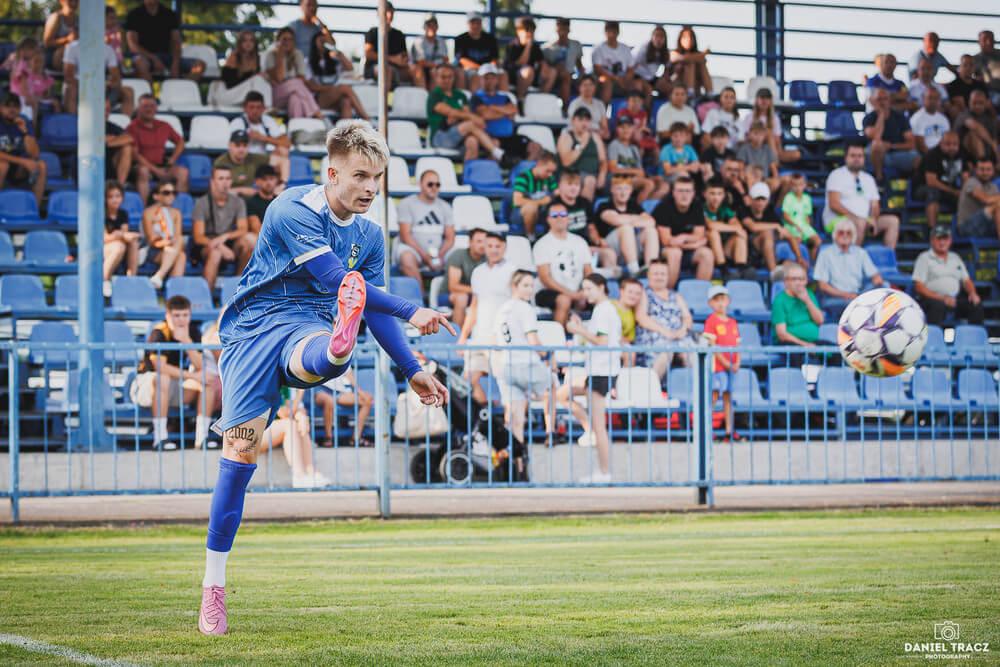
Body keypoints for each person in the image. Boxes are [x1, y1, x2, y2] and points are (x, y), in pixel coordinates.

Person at [197, 121, 452, 636]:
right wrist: (412, 309)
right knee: (240, 454)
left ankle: (338, 348)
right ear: (332, 173)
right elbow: (337, 280)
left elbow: (371, 310)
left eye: (377, 178)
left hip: (308, 325)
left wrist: (413, 369)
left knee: (324, 348)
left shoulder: (370, 236)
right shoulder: (292, 207)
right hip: (251, 330)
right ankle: (213, 586)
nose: (370, 188)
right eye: (360, 176)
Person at [557, 274, 621, 483]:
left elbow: (601, 341)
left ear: (601, 287)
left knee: (600, 425)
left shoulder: (604, 310)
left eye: (589, 288)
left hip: (602, 371)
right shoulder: (602, 310)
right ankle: (589, 430)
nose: (586, 293)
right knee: (563, 394)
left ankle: (604, 472)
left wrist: (578, 329)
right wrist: (581, 331)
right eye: (584, 289)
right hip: (597, 370)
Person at [131, 295, 215, 451]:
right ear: (167, 316)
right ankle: (160, 437)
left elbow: (199, 365)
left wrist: (186, 341)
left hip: (173, 384)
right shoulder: (159, 332)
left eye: (185, 315)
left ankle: (202, 437)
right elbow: (160, 367)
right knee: (163, 378)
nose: (181, 320)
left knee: (207, 382)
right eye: (176, 315)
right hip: (145, 385)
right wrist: (193, 376)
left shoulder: (192, 332)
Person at [492, 270, 556, 446]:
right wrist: (548, 355)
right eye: (525, 285)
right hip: (526, 363)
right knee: (551, 386)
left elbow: (495, 341)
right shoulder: (525, 308)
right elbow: (533, 340)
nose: (530, 290)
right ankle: (550, 431)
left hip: (506, 364)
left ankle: (516, 454)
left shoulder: (502, 309)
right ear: (514, 286)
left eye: (531, 286)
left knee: (515, 416)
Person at [458, 233, 516, 405]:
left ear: (504, 247)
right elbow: (474, 306)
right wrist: (463, 336)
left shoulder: (513, 271)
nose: (493, 250)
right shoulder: (478, 272)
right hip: (479, 336)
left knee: (505, 383)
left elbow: (515, 305)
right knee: (469, 379)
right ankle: (486, 415)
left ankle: (506, 418)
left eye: (497, 246)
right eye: (490, 246)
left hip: (501, 338)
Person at [822, 142, 900, 249]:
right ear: (846, 158)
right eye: (853, 156)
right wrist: (856, 218)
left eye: (860, 156)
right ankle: (854, 257)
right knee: (860, 223)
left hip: (864, 220)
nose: (857, 159)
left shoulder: (869, 179)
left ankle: (888, 256)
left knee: (893, 221)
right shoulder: (836, 175)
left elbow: (875, 205)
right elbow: (834, 204)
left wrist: (873, 219)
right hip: (838, 220)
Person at [191, 165, 255, 290]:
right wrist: (219, 245)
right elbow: (198, 237)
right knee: (216, 253)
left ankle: (239, 289)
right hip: (208, 244)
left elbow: (243, 229)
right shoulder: (202, 203)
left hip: (229, 242)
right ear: (212, 182)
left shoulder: (238, 202)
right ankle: (206, 294)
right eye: (221, 178)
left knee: (249, 241)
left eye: (228, 178)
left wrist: (224, 237)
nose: (225, 182)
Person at [427, 63, 506, 163]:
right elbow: (451, 112)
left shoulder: (460, 95)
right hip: (440, 136)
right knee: (471, 124)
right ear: (436, 78)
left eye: (450, 77)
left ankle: (476, 171)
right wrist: (462, 115)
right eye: (443, 77)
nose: (447, 80)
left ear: (454, 77)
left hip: (460, 134)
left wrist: (459, 115)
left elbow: (461, 114)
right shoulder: (434, 95)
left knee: (472, 141)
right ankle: (496, 152)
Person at [533, 201, 593, 325]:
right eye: (555, 215)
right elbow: (545, 278)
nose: (559, 218)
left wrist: (584, 291)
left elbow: (588, 271)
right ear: (548, 219)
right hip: (548, 291)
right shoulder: (542, 244)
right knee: (564, 300)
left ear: (568, 218)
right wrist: (572, 295)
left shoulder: (580, 242)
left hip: (578, 289)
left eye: (563, 214)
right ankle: (558, 335)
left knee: (601, 296)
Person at [633, 259, 694, 378]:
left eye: (662, 274)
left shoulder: (676, 295)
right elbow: (641, 317)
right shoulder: (644, 294)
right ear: (648, 275)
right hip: (655, 339)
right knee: (666, 352)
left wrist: (682, 330)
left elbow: (687, 317)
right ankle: (652, 384)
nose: (659, 277)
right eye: (656, 273)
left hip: (679, 338)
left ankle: (696, 387)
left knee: (693, 354)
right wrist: (665, 332)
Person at [260, 389, 332, 488]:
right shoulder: (270, 384)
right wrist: (300, 393)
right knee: (289, 425)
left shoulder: (284, 387)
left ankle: (311, 471)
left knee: (300, 425)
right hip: (250, 435)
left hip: (269, 431)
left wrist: (301, 416)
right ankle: (299, 476)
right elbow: (284, 413)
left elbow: (292, 408)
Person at [913, 226, 984, 325]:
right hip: (933, 299)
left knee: (976, 304)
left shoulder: (955, 258)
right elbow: (919, 286)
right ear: (932, 241)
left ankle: (974, 334)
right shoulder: (924, 258)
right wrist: (942, 298)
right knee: (937, 306)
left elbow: (966, 280)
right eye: (939, 239)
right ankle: (934, 334)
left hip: (954, 299)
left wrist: (972, 293)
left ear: (950, 241)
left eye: (945, 239)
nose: (942, 242)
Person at [395, 170, 456, 285]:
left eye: (437, 185)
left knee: (458, 256)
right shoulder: (406, 203)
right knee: (406, 258)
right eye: (430, 184)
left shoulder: (445, 206)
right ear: (420, 184)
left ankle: (450, 292)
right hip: (414, 251)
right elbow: (405, 236)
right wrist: (425, 257)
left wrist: (439, 255)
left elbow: (450, 238)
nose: (434, 188)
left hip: (440, 252)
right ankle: (420, 295)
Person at [127, 94, 189, 205]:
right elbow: (135, 155)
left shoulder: (164, 125)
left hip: (161, 164)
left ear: (156, 108)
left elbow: (180, 142)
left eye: (152, 106)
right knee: (143, 172)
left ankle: (176, 209)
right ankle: (145, 210)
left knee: (183, 172)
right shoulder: (132, 127)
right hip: (140, 166)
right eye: (145, 106)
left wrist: (172, 159)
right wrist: (156, 170)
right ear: (139, 108)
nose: (149, 109)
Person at [653, 176, 714, 287]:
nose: (684, 195)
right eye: (680, 191)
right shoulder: (663, 207)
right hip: (664, 252)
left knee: (707, 254)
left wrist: (684, 238)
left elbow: (699, 235)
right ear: (673, 193)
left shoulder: (697, 206)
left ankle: (700, 292)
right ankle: (667, 292)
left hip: (687, 250)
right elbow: (667, 241)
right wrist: (694, 244)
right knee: (675, 253)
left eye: (688, 191)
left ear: (693, 193)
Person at [63, 24, 133, 117]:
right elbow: (68, 77)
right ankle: (73, 121)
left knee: (128, 91)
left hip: (102, 87)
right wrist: (89, 85)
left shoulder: (108, 49)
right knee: (71, 89)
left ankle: (125, 122)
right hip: (80, 87)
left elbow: (116, 76)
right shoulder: (72, 48)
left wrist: (108, 84)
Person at [125, 0, 204, 82]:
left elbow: (176, 42)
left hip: (166, 57)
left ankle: (181, 88)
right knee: (140, 64)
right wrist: (154, 58)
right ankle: (148, 90)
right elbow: (133, 45)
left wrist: (175, 64)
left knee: (199, 65)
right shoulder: (134, 15)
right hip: (144, 57)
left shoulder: (169, 14)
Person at [814, 218, 884, 310]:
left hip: (857, 294)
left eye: (848, 233)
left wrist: (877, 280)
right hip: (835, 297)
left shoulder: (861, 253)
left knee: (884, 286)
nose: (845, 235)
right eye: (841, 232)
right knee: (859, 304)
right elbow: (823, 286)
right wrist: (846, 295)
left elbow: (875, 275)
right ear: (835, 235)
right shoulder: (825, 254)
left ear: (853, 236)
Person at [595, 175, 660, 275]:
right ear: (612, 190)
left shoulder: (633, 205)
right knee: (626, 229)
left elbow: (651, 222)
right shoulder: (605, 205)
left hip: (632, 248)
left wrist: (626, 219)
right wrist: (637, 219)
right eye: (619, 188)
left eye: (626, 189)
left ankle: (651, 268)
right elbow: (616, 220)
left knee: (650, 231)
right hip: (612, 250)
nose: (623, 192)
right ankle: (634, 270)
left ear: (630, 191)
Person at [555, 169, 617, 271]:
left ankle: (605, 277)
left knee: (609, 254)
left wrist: (598, 240)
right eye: (569, 184)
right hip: (565, 248)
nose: (574, 188)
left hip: (586, 246)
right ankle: (598, 273)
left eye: (576, 185)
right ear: (560, 186)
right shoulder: (554, 206)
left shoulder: (584, 203)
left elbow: (591, 227)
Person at [702, 285, 741, 442]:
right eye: (716, 299)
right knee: (714, 396)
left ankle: (729, 430)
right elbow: (712, 346)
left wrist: (737, 362)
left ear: (728, 301)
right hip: (717, 367)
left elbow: (737, 345)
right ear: (710, 303)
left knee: (728, 397)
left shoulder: (732, 322)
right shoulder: (710, 321)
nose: (720, 303)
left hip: (730, 367)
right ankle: (707, 429)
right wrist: (725, 363)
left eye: (723, 299)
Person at [264, 28, 323, 119]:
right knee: (296, 82)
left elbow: (302, 79)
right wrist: (280, 55)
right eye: (284, 39)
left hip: (294, 93)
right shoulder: (271, 55)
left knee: (295, 99)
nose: (287, 42)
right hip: (276, 96)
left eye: (290, 39)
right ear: (278, 41)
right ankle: (315, 112)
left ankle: (296, 125)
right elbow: (279, 78)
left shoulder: (297, 54)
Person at [863, 87, 919, 181]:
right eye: (879, 99)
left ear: (890, 100)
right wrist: (881, 114)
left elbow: (911, 144)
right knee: (877, 145)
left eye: (885, 99)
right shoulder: (869, 118)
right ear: (873, 101)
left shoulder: (900, 117)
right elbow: (876, 137)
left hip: (897, 152)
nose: (882, 102)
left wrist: (891, 146)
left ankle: (914, 185)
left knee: (918, 158)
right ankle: (879, 180)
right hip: (875, 155)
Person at [0, 93, 47, 205]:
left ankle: (33, 209)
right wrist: (22, 161)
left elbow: (35, 154)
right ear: (0, 107)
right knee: (3, 165)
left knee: (41, 166)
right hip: (6, 163)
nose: (12, 110)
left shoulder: (24, 121)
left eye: (15, 106)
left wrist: (25, 132)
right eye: (7, 106)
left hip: (19, 168)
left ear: (20, 108)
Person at [608, 116, 668, 203]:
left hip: (635, 178)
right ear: (617, 129)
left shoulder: (634, 148)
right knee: (649, 184)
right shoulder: (614, 145)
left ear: (633, 129)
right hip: (620, 179)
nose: (626, 130)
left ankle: (647, 205)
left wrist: (642, 174)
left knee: (663, 183)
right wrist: (635, 171)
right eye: (622, 127)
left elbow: (640, 171)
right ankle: (637, 208)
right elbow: (613, 169)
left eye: (629, 127)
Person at [916, 131, 969, 229]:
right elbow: (931, 182)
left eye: (955, 144)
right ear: (941, 143)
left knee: (967, 197)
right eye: (948, 144)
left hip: (948, 189)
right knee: (933, 193)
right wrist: (953, 191)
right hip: (923, 188)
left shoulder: (961, 154)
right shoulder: (932, 155)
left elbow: (965, 177)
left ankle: (963, 229)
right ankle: (933, 230)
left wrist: (964, 191)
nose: (952, 147)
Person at [703, 177, 750, 280]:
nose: (716, 198)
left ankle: (741, 268)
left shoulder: (725, 209)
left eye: (719, 194)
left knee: (740, 234)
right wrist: (732, 228)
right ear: (705, 194)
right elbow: (711, 225)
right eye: (712, 193)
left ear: (723, 195)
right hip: (707, 252)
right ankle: (723, 269)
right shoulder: (701, 208)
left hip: (724, 250)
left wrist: (735, 229)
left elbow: (738, 226)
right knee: (713, 233)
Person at [141, 180, 186, 289]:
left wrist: (170, 243)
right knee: (180, 255)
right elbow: (151, 240)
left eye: (174, 193)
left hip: (172, 247)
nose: (171, 196)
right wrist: (165, 243)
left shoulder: (177, 213)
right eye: (166, 193)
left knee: (181, 254)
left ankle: (160, 277)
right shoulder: (148, 212)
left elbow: (177, 236)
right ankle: (172, 289)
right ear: (156, 196)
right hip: (155, 250)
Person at [210, 30, 271, 109]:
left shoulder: (258, 58)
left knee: (261, 81)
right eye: (245, 40)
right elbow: (230, 84)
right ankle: (266, 107)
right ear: (240, 43)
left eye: (251, 40)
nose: (248, 43)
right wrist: (252, 75)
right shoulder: (234, 57)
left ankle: (264, 107)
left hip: (246, 95)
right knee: (258, 79)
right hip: (229, 95)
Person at [314, 369, 373, 448]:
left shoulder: (345, 361)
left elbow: (349, 375)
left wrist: (361, 393)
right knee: (329, 401)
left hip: (339, 391)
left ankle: (355, 439)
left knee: (367, 401)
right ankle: (328, 438)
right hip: (320, 389)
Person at [557, 107, 606, 201]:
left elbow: (603, 160)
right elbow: (566, 162)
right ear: (573, 121)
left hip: (596, 173)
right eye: (580, 120)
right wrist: (582, 144)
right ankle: (584, 208)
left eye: (587, 120)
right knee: (590, 180)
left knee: (620, 182)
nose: (584, 123)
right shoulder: (566, 137)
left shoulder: (595, 137)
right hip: (574, 173)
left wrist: (602, 175)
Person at [739, 87, 800, 163]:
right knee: (768, 135)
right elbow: (746, 136)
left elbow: (777, 139)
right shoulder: (749, 117)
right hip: (754, 146)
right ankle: (775, 162)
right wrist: (761, 135)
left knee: (796, 154)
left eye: (767, 98)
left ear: (770, 101)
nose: (764, 101)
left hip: (771, 147)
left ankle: (775, 158)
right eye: (762, 98)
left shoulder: (775, 118)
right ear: (757, 100)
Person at [230, 92, 293, 163]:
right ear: (245, 108)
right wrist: (247, 138)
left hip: (263, 159)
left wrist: (262, 138)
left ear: (264, 108)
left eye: (258, 107)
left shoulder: (268, 120)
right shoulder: (238, 122)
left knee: (283, 150)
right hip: (244, 160)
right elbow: (234, 146)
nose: (255, 111)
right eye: (251, 107)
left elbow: (287, 143)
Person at [771, 263, 824, 347]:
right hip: (789, 343)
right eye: (794, 279)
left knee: (837, 351)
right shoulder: (779, 300)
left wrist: (807, 301)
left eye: (802, 279)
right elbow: (782, 334)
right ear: (786, 282)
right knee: (798, 353)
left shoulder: (809, 295)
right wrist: (805, 345)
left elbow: (820, 321)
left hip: (812, 342)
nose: (798, 283)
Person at [741, 182, 788, 277]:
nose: (760, 202)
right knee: (767, 234)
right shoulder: (743, 210)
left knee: (792, 265)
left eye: (763, 199)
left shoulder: (770, 211)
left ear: (767, 200)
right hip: (750, 255)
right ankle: (774, 272)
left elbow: (787, 234)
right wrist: (775, 226)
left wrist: (799, 257)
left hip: (768, 255)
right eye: (757, 199)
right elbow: (753, 227)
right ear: (750, 199)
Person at [453, 11, 508, 92]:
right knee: (476, 76)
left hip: (489, 68)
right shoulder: (460, 39)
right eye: (473, 22)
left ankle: (503, 99)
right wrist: (481, 69)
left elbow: (495, 59)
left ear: (481, 23)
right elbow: (462, 60)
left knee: (503, 74)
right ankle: (476, 99)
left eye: (478, 22)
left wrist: (489, 69)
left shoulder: (491, 39)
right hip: (471, 69)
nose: (475, 25)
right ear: (468, 24)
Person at [363, 2, 414, 86]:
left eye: (391, 12)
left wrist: (403, 61)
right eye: (386, 12)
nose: (389, 15)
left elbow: (404, 56)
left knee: (416, 70)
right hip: (375, 68)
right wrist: (392, 59)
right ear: (379, 14)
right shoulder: (372, 32)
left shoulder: (399, 34)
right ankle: (387, 94)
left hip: (397, 70)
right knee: (386, 70)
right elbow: (368, 54)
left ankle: (426, 94)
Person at [503, 16, 554, 101]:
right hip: (513, 77)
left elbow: (542, 62)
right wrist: (528, 46)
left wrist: (544, 68)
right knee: (528, 71)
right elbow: (521, 63)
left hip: (532, 77)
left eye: (532, 30)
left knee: (552, 72)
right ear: (518, 31)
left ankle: (541, 99)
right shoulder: (512, 46)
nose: (530, 33)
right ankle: (520, 101)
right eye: (526, 30)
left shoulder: (535, 47)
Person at [103, 181, 140, 295]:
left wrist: (127, 236)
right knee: (119, 247)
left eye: (117, 196)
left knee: (133, 243)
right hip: (104, 248)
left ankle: (131, 279)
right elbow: (102, 238)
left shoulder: (123, 214)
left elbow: (124, 233)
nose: (115, 200)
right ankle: (104, 279)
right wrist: (118, 235)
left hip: (119, 245)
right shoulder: (100, 213)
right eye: (110, 197)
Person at [445, 227, 487, 327]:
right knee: (462, 298)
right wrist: (480, 290)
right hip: (448, 295)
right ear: (470, 242)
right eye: (479, 241)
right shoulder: (458, 255)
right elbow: (453, 287)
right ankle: (457, 335)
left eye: (485, 242)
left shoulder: (489, 258)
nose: (482, 245)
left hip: (475, 295)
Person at [511, 152, 558, 237]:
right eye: (547, 171)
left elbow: (557, 193)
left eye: (552, 172)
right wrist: (542, 201)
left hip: (542, 213)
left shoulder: (550, 178)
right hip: (520, 214)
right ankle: (531, 237)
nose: (550, 174)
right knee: (531, 207)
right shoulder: (524, 177)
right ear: (539, 164)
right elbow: (517, 201)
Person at [471, 63, 518, 148]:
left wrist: (493, 107)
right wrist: (505, 112)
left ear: (497, 79)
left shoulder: (505, 96)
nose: (490, 81)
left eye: (492, 78)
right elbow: (486, 115)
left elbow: (513, 110)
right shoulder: (476, 97)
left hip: (510, 137)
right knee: (495, 145)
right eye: (486, 78)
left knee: (534, 146)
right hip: (490, 138)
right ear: (480, 79)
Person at [214, 131, 272, 197]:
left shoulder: (254, 158)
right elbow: (217, 190)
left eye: (245, 145)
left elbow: (278, 160)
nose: (241, 149)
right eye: (237, 145)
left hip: (254, 200)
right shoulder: (221, 162)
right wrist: (241, 190)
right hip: (230, 200)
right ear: (230, 145)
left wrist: (280, 184)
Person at [781, 173, 820, 266]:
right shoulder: (788, 197)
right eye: (795, 185)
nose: (798, 187)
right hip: (791, 225)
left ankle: (812, 264)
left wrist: (807, 229)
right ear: (791, 186)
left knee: (817, 241)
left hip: (804, 226)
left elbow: (807, 217)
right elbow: (785, 216)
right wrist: (796, 226)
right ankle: (799, 262)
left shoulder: (807, 198)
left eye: (800, 184)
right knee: (797, 240)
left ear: (804, 185)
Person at [957, 157, 1000, 238]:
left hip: (985, 226)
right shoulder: (970, 182)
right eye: (982, 169)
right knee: (996, 206)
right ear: (976, 170)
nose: (985, 173)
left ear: (993, 171)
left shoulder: (993, 187)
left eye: (988, 169)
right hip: (966, 227)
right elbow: (986, 200)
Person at [592, 21, 634, 104]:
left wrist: (626, 79)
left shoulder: (625, 48)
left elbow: (630, 69)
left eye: (614, 32)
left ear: (618, 33)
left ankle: (632, 110)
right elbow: (597, 69)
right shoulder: (598, 48)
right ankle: (603, 110)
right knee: (607, 83)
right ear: (605, 32)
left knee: (636, 85)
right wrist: (616, 79)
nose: (611, 35)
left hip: (621, 80)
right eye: (609, 32)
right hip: (604, 80)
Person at [542, 17, 582, 103]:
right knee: (564, 76)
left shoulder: (576, 45)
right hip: (553, 77)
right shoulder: (547, 47)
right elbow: (545, 67)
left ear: (569, 29)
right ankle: (564, 106)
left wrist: (582, 77)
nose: (562, 32)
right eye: (560, 29)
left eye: (565, 29)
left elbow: (579, 65)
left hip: (570, 76)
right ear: (556, 30)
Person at [736, 121, 782, 195]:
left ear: (764, 136)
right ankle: (753, 197)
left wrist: (776, 178)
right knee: (749, 179)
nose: (758, 137)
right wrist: (744, 176)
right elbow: (741, 167)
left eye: (761, 134)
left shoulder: (767, 149)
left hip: (764, 178)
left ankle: (764, 198)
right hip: (750, 178)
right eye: (755, 133)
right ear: (750, 134)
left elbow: (773, 168)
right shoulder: (744, 148)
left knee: (775, 183)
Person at [631, 25, 673, 103]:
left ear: (665, 39)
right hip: (638, 76)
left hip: (651, 78)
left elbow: (666, 71)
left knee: (669, 88)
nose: (659, 39)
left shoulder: (666, 52)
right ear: (652, 37)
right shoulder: (643, 48)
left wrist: (664, 81)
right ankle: (646, 110)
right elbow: (631, 66)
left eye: (661, 36)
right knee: (648, 90)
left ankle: (669, 108)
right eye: (656, 36)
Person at [955, 90, 998, 161]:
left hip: (988, 151)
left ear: (986, 103)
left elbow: (994, 138)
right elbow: (976, 127)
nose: (977, 106)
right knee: (974, 135)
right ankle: (981, 162)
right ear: (969, 102)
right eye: (974, 103)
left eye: (981, 103)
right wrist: (992, 144)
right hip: (964, 152)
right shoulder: (963, 114)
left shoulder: (989, 117)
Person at [670, 25, 712, 97]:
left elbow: (701, 60)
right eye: (685, 37)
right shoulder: (674, 53)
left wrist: (701, 56)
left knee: (701, 63)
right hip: (676, 84)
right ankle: (690, 92)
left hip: (696, 86)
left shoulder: (699, 56)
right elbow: (684, 58)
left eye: (691, 37)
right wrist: (703, 54)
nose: (688, 40)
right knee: (690, 62)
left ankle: (710, 93)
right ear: (680, 39)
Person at [566, 75, 610, 140]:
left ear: (595, 87)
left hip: (598, 136)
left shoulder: (600, 104)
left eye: (590, 85)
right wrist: (593, 132)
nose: (588, 88)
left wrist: (605, 133)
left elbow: (604, 126)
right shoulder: (575, 104)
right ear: (579, 87)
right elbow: (574, 126)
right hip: (580, 136)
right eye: (585, 85)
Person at [410, 14, 448, 89]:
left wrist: (437, 67)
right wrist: (436, 65)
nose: (431, 27)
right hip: (421, 69)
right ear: (424, 27)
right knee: (423, 71)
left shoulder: (441, 41)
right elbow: (421, 62)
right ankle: (424, 95)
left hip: (436, 69)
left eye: (434, 25)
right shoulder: (419, 41)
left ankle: (439, 95)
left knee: (438, 71)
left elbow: (445, 60)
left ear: (437, 27)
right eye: (429, 25)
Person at [105, 99, 134, 194]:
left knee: (127, 147)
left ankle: (119, 187)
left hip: (110, 165)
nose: (105, 113)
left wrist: (107, 143)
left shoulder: (111, 126)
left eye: (108, 110)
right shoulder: (84, 124)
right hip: (87, 165)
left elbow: (129, 138)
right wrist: (116, 139)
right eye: (102, 110)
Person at [910, 87, 951, 154]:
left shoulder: (944, 119)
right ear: (923, 99)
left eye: (936, 98)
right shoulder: (917, 118)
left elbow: (948, 140)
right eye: (930, 98)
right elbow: (921, 146)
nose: (933, 101)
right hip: (927, 155)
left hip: (943, 154)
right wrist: (933, 157)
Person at [245, 165, 281, 233]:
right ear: (257, 181)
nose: (269, 183)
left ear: (276, 180)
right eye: (264, 179)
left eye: (271, 179)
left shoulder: (281, 201)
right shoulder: (251, 203)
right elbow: (257, 229)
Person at [42, 0, 76, 70]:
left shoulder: (79, 19)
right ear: (61, 1)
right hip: (53, 57)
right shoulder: (55, 17)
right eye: (70, 0)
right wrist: (67, 39)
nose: (74, 3)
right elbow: (47, 42)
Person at [973, 30, 1000, 106]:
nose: (988, 42)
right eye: (985, 40)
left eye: (991, 39)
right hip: (987, 94)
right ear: (979, 42)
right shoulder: (974, 60)